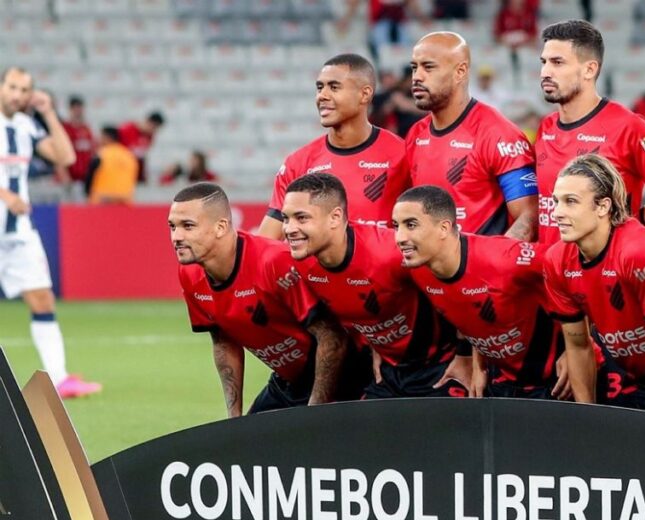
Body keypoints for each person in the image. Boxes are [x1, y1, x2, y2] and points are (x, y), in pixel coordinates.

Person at [281, 172, 469, 398]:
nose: (289, 228)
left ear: (335, 217)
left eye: (301, 218)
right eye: (285, 218)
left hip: (440, 367)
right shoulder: (299, 262)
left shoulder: (390, 252)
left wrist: (465, 355)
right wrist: (373, 343)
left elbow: (460, 287)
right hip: (386, 373)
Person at [169, 182, 347, 416]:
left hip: (340, 375)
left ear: (220, 227)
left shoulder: (272, 261)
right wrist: (234, 417)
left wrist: (314, 413)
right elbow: (223, 342)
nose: (176, 237)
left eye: (188, 226)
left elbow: (331, 336)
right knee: (244, 437)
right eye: (172, 226)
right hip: (287, 382)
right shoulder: (189, 274)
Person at [394, 185, 564, 398]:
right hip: (502, 380)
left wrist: (577, 347)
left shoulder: (503, 258)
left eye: (411, 225)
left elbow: (570, 268)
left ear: (444, 228)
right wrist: (477, 364)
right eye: (396, 226)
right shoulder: (418, 269)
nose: (399, 237)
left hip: (556, 381)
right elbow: (471, 307)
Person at [542, 155, 645, 413]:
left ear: (603, 206)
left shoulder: (638, 252)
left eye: (570, 201)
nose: (557, 212)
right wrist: (587, 418)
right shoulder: (556, 259)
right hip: (632, 373)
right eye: (556, 201)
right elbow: (578, 346)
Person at [0, 67, 100, 399]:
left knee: (42, 298)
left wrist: (48, 113)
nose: (17, 95)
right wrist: (5, 195)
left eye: (24, 90)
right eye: (12, 87)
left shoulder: (26, 125)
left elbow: (66, 157)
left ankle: (59, 378)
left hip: (18, 231)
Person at [535, 20, 645, 244]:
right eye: (544, 62)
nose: (545, 72)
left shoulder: (630, 127)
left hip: (609, 265)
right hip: (550, 264)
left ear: (589, 69)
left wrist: (635, 223)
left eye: (557, 62)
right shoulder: (546, 127)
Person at [259, 54, 410, 241]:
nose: (322, 96)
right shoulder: (298, 163)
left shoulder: (402, 154)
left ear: (364, 94)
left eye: (334, 87)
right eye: (319, 87)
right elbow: (266, 244)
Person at [406, 32, 538, 240]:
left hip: (481, 260)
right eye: (415, 67)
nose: (417, 77)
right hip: (428, 260)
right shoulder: (416, 134)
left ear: (460, 72)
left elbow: (528, 217)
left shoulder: (498, 134)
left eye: (428, 67)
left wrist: (490, 257)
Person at [84, 126, 139, 204]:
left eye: (100, 137)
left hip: (102, 200)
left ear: (107, 137)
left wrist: (87, 193)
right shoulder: (129, 156)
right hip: (125, 200)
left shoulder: (101, 154)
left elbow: (90, 176)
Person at [118, 110, 164, 183]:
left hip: (135, 166)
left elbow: (142, 154)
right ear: (148, 122)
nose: (154, 131)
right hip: (121, 163)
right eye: (153, 127)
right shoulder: (127, 129)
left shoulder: (150, 136)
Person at [61, 95, 95, 185]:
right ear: (70, 110)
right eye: (75, 109)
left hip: (86, 176)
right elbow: (60, 153)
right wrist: (64, 174)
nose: (78, 112)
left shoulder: (86, 129)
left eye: (80, 109)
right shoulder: (65, 129)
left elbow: (92, 150)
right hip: (71, 176)